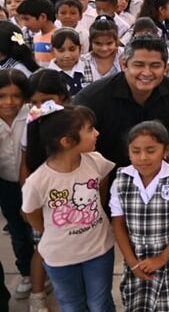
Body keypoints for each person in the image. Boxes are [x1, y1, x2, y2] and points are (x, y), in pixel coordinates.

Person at [21, 104, 116, 312]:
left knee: (100, 304)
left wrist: (97, 209)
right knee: (72, 305)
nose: (97, 133)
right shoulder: (38, 181)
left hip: (99, 250)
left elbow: (103, 182)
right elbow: (30, 213)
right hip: (60, 257)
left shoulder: (96, 161)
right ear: (66, 141)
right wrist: (49, 230)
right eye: (90, 129)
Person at [74, 35, 169, 188]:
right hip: (104, 184)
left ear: (165, 67)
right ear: (124, 64)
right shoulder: (93, 99)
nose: (146, 73)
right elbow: (73, 149)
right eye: (139, 65)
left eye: (155, 65)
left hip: (158, 182)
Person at [109, 121, 169, 312]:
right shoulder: (121, 180)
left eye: (151, 150)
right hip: (138, 263)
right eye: (136, 151)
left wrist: (162, 257)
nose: (143, 157)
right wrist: (132, 263)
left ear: (166, 151)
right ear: (128, 152)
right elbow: (118, 224)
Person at [0, 70, 39, 304]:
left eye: (16, 96)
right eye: (2, 96)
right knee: (17, 230)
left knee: (37, 229)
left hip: (33, 182)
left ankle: (43, 272)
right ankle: (26, 272)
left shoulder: (32, 115)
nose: (9, 102)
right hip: (6, 184)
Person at [16, 0, 56, 67]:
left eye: (26, 19)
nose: (24, 24)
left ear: (43, 17)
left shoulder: (59, 36)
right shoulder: (36, 37)